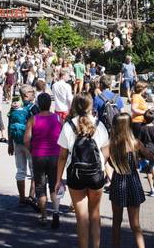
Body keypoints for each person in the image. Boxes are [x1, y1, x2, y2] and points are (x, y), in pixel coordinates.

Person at [56, 94, 110, 248]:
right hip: (96, 174)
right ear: (90, 106)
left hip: (75, 175)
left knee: (81, 217)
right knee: (95, 214)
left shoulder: (68, 126)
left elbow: (62, 156)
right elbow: (106, 151)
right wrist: (102, 166)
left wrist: (58, 179)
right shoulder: (99, 125)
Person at [108, 113, 154, 248]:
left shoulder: (112, 144)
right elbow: (150, 155)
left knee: (116, 223)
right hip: (133, 181)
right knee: (135, 224)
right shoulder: (135, 143)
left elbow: (106, 161)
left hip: (118, 181)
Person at [25, 92, 63, 228]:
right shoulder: (58, 118)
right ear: (50, 104)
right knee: (54, 185)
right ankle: (56, 212)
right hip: (55, 156)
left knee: (40, 187)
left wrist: (32, 150)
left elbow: (26, 140)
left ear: (38, 105)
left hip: (39, 156)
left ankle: (44, 215)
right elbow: (64, 137)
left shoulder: (33, 119)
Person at [8, 85, 36, 208]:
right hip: (30, 142)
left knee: (20, 170)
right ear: (26, 94)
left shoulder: (15, 105)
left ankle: (21, 198)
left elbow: (10, 124)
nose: (33, 93)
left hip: (17, 142)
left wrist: (10, 142)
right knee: (34, 171)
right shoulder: (33, 107)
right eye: (31, 92)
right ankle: (31, 197)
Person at [138, 110, 154, 197]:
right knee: (153, 166)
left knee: (148, 170)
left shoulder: (142, 129)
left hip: (145, 152)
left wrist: (138, 153)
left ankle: (152, 189)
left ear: (144, 119)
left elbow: (139, 142)